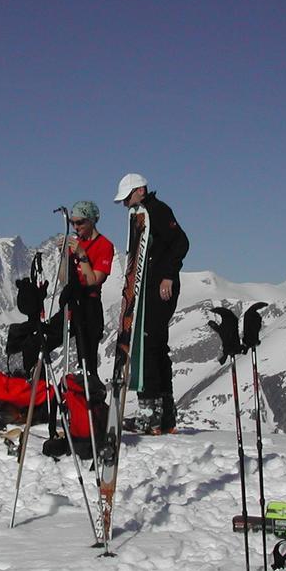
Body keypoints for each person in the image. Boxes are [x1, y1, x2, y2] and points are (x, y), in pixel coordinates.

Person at [112, 173, 189, 435]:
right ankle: (164, 417)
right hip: (149, 288)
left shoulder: (157, 210)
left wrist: (168, 274)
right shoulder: (143, 213)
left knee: (147, 347)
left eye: (127, 198)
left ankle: (150, 417)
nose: (125, 204)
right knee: (156, 346)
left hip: (159, 288)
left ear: (140, 190)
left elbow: (180, 242)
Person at [42, 201, 114, 459]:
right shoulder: (75, 244)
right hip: (73, 302)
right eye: (73, 222)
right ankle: (44, 399)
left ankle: (91, 416)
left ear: (92, 221)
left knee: (87, 358)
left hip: (90, 304)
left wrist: (82, 255)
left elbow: (95, 279)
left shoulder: (104, 246)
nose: (76, 226)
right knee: (45, 340)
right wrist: (64, 255)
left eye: (80, 222)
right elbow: (65, 278)